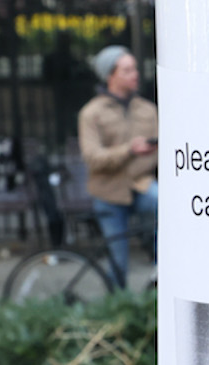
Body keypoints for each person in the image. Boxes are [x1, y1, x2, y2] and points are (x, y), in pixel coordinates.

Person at [78, 45, 158, 289]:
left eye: (135, 68)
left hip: (142, 184)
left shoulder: (147, 109)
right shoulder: (91, 113)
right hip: (108, 191)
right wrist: (129, 150)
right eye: (127, 70)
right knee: (118, 262)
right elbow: (92, 157)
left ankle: (162, 273)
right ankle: (117, 309)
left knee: (168, 206)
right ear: (110, 75)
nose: (135, 74)